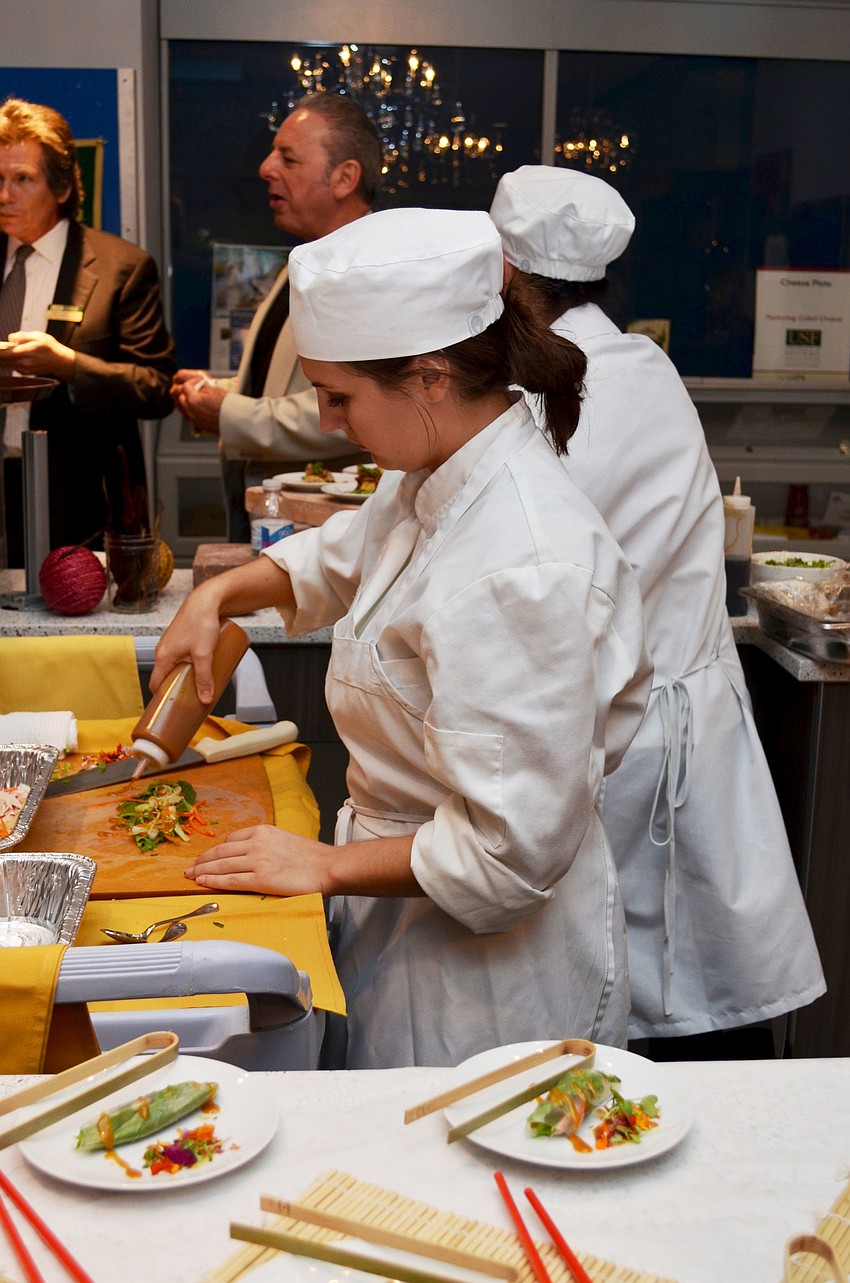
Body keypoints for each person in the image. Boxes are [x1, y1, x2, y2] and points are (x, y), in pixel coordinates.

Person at [151, 207, 652, 1070]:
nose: (330, 421)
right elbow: (347, 552)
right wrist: (224, 592)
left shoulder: (519, 563)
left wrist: (326, 865)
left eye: (339, 396)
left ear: (427, 377)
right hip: (413, 919)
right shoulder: (439, 471)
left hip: (487, 978)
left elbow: (506, 851)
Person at [490, 165, 825, 1056]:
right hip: (662, 721)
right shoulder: (640, 364)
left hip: (635, 734)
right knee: (670, 986)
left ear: (509, 277)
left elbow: (526, 558)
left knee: (656, 1005)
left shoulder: (569, 390)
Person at [170, 94, 383, 540]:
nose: (266, 168)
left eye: (287, 158)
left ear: (345, 177)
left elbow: (354, 411)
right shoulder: (305, 259)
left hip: (328, 533)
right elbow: (288, 383)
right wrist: (217, 392)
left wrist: (228, 412)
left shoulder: (371, 272)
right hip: (276, 519)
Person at [0, 97, 175, 558]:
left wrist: (70, 366)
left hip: (79, 505)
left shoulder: (121, 268)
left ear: (60, 188)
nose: (3, 194)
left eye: (22, 179)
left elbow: (155, 388)